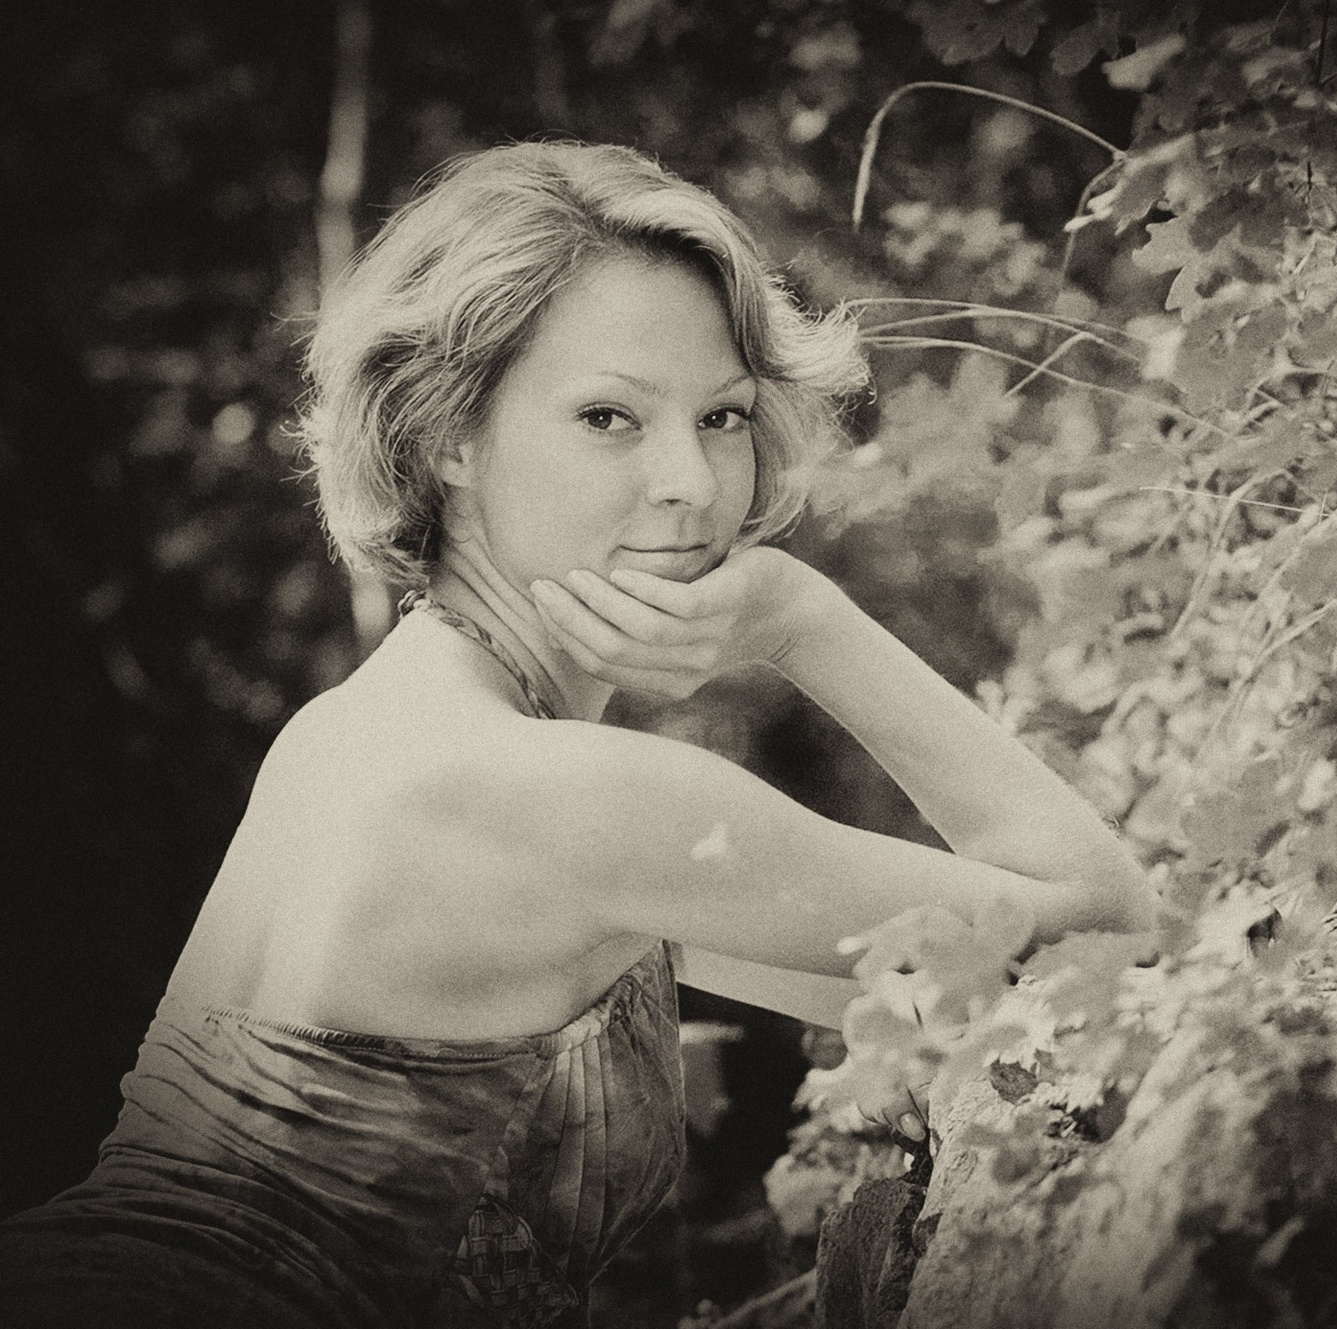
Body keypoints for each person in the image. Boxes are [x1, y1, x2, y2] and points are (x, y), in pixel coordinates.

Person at [0, 141, 1155, 1327]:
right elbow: (1108, 926)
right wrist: (804, 621)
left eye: (723, 416)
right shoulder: (569, 799)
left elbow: (952, 982)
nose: (692, 482)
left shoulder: (360, 734)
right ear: (447, 434)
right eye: (609, 417)